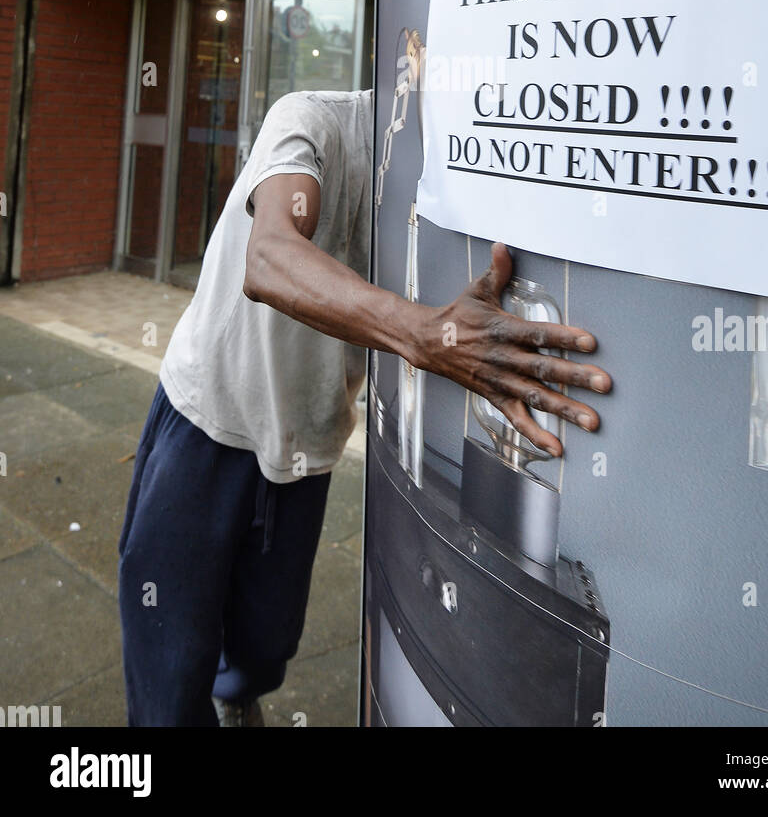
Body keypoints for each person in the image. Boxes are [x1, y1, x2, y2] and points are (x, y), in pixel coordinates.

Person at [118, 87, 611, 726]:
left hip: (305, 443)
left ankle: (235, 697)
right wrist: (428, 337)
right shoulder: (312, 119)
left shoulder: (451, 176)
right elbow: (268, 256)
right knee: (169, 664)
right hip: (207, 418)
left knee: (264, 647)